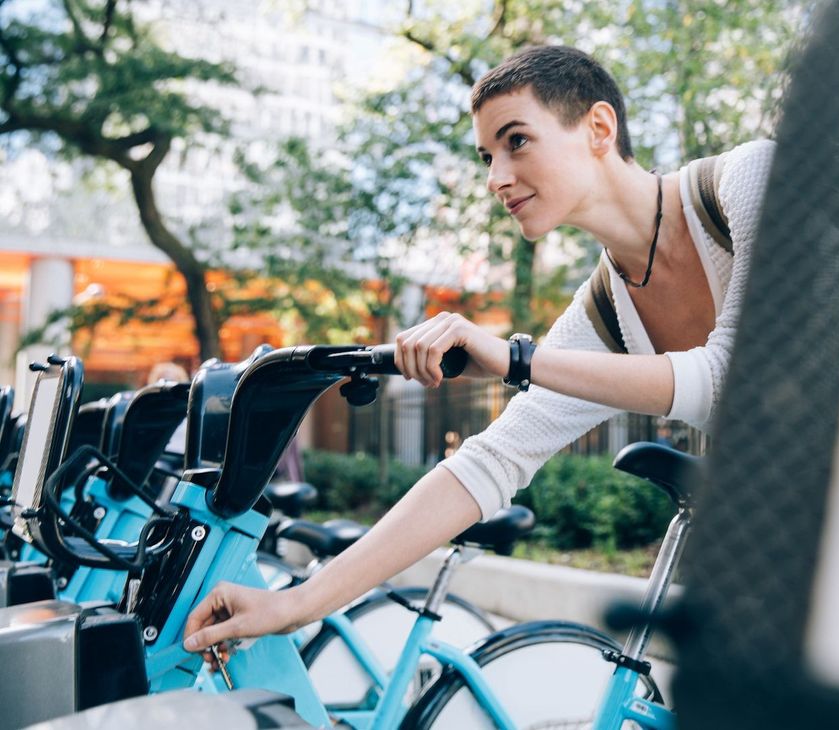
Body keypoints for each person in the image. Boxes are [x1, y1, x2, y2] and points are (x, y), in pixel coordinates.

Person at [184, 45, 774, 653]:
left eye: (516, 141)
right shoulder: (607, 312)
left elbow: (736, 377)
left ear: (599, 128)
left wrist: (515, 358)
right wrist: (296, 604)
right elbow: (485, 464)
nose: (496, 179)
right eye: (487, 156)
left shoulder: (750, 182)